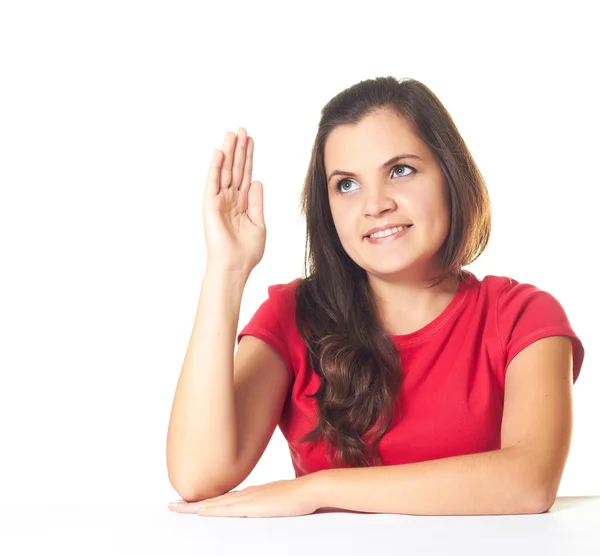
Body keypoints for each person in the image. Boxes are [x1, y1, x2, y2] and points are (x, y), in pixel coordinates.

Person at [167, 76, 585, 506]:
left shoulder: (523, 317)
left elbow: (530, 483)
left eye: (400, 170)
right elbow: (198, 476)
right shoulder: (292, 315)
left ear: (450, 174)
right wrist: (227, 270)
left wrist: (318, 488)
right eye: (346, 184)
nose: (374, 204)